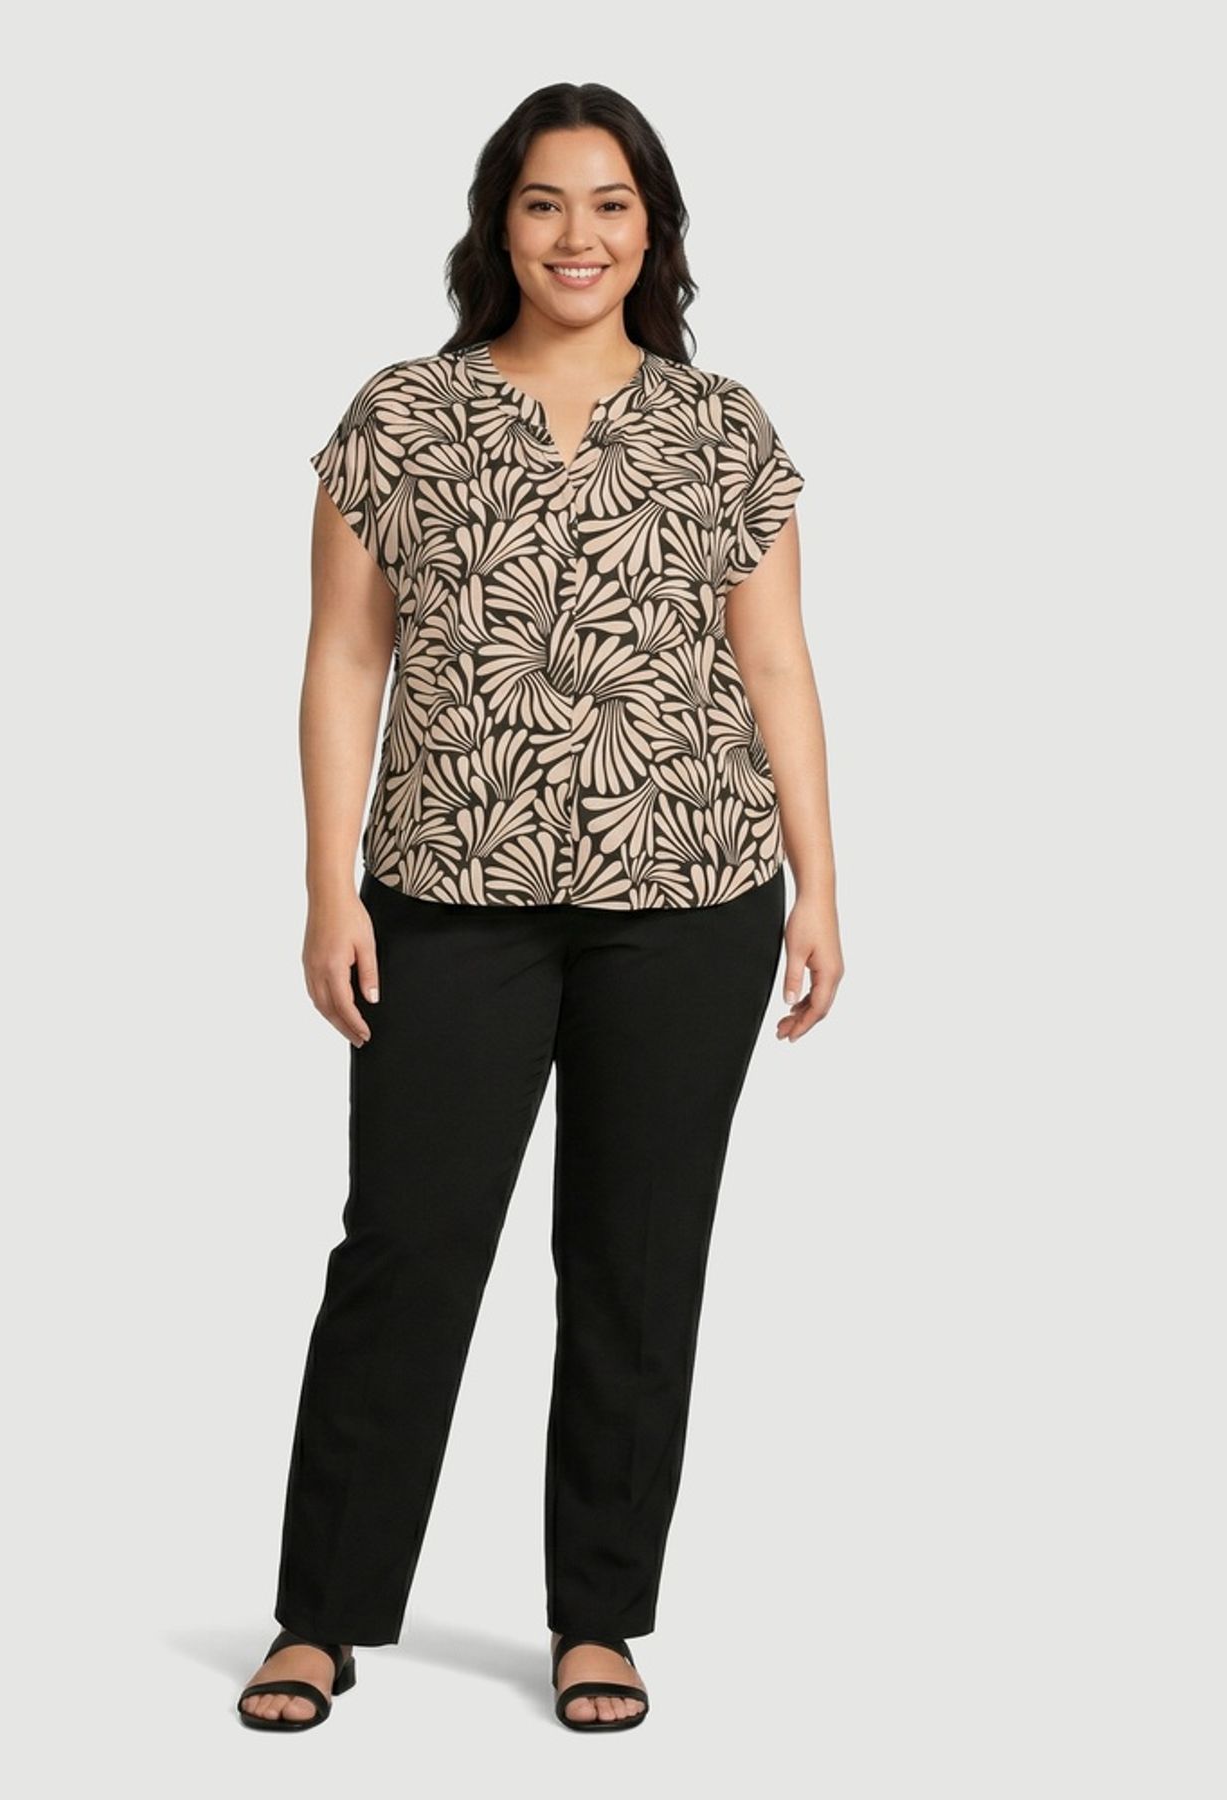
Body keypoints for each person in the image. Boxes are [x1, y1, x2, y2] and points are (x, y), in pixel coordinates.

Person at [238, 80, 843, 1735]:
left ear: (654, 231)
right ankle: (322, 1614)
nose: (580, 236)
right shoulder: (403, 415)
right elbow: (343, 658)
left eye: (611, 205)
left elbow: (777, 663)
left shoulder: (723, 428)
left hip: (693, 891)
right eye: (545, 203)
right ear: (497, 225)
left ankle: (598, 1622)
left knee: (637, 1264)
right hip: (448, 893)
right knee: (406, 1249)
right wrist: (326, 886)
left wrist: (821, 886)